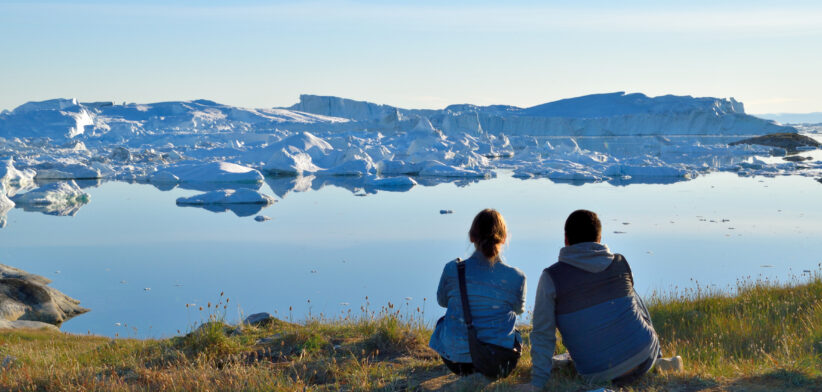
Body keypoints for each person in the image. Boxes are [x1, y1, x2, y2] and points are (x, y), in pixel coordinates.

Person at [529, 209, 682, 389]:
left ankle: (587, 356)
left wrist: (538, 383)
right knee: (631, 297)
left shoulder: (552, 277)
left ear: (566, 240)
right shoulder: (620, 263)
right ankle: (659, 359)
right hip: (644, 355)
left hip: (597, 372)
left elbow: (542, 333)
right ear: (599, 239)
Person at [429, 208, 526, 378]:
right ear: (503, 239)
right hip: (499, 361)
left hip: (456, 361)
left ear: (471, 237)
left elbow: (442, 302)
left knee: (442, 322)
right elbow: (519, 310)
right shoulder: (516, 277)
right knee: (516, 332)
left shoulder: (453, 269)